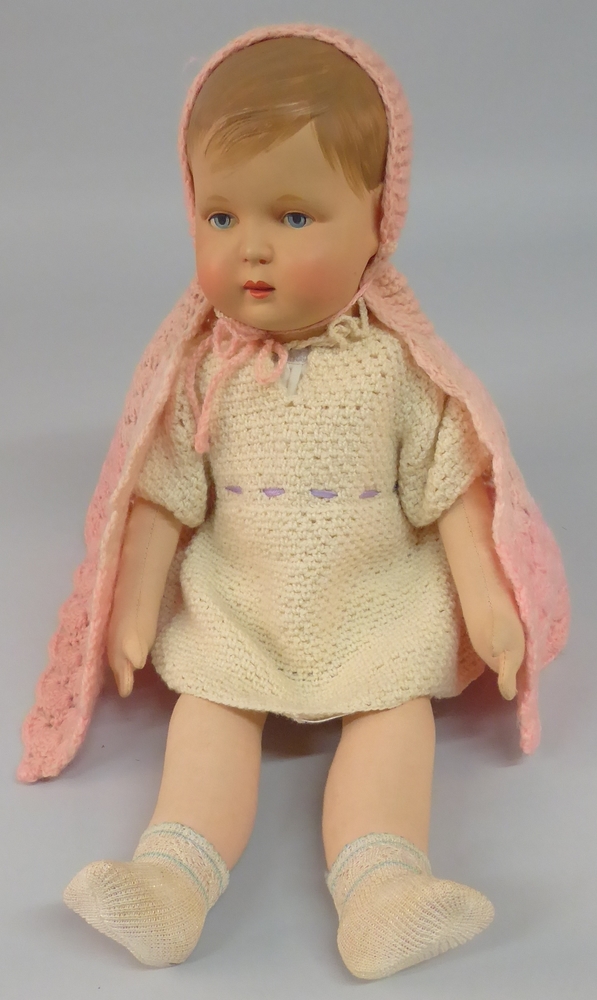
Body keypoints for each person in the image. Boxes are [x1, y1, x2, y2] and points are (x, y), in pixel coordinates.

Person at [20, 26, 569, 981]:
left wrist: (487, 604)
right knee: (209, 712)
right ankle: (171, 880)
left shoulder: (394, 369)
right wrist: (137, 602)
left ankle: (383, 890)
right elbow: (163, 489)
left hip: (374, 601)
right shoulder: (206, 371)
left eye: (295, 215)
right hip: (241, 598)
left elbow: (452, 487)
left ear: (378, 219)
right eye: (220, 216)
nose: (253, 248)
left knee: (392, 718)